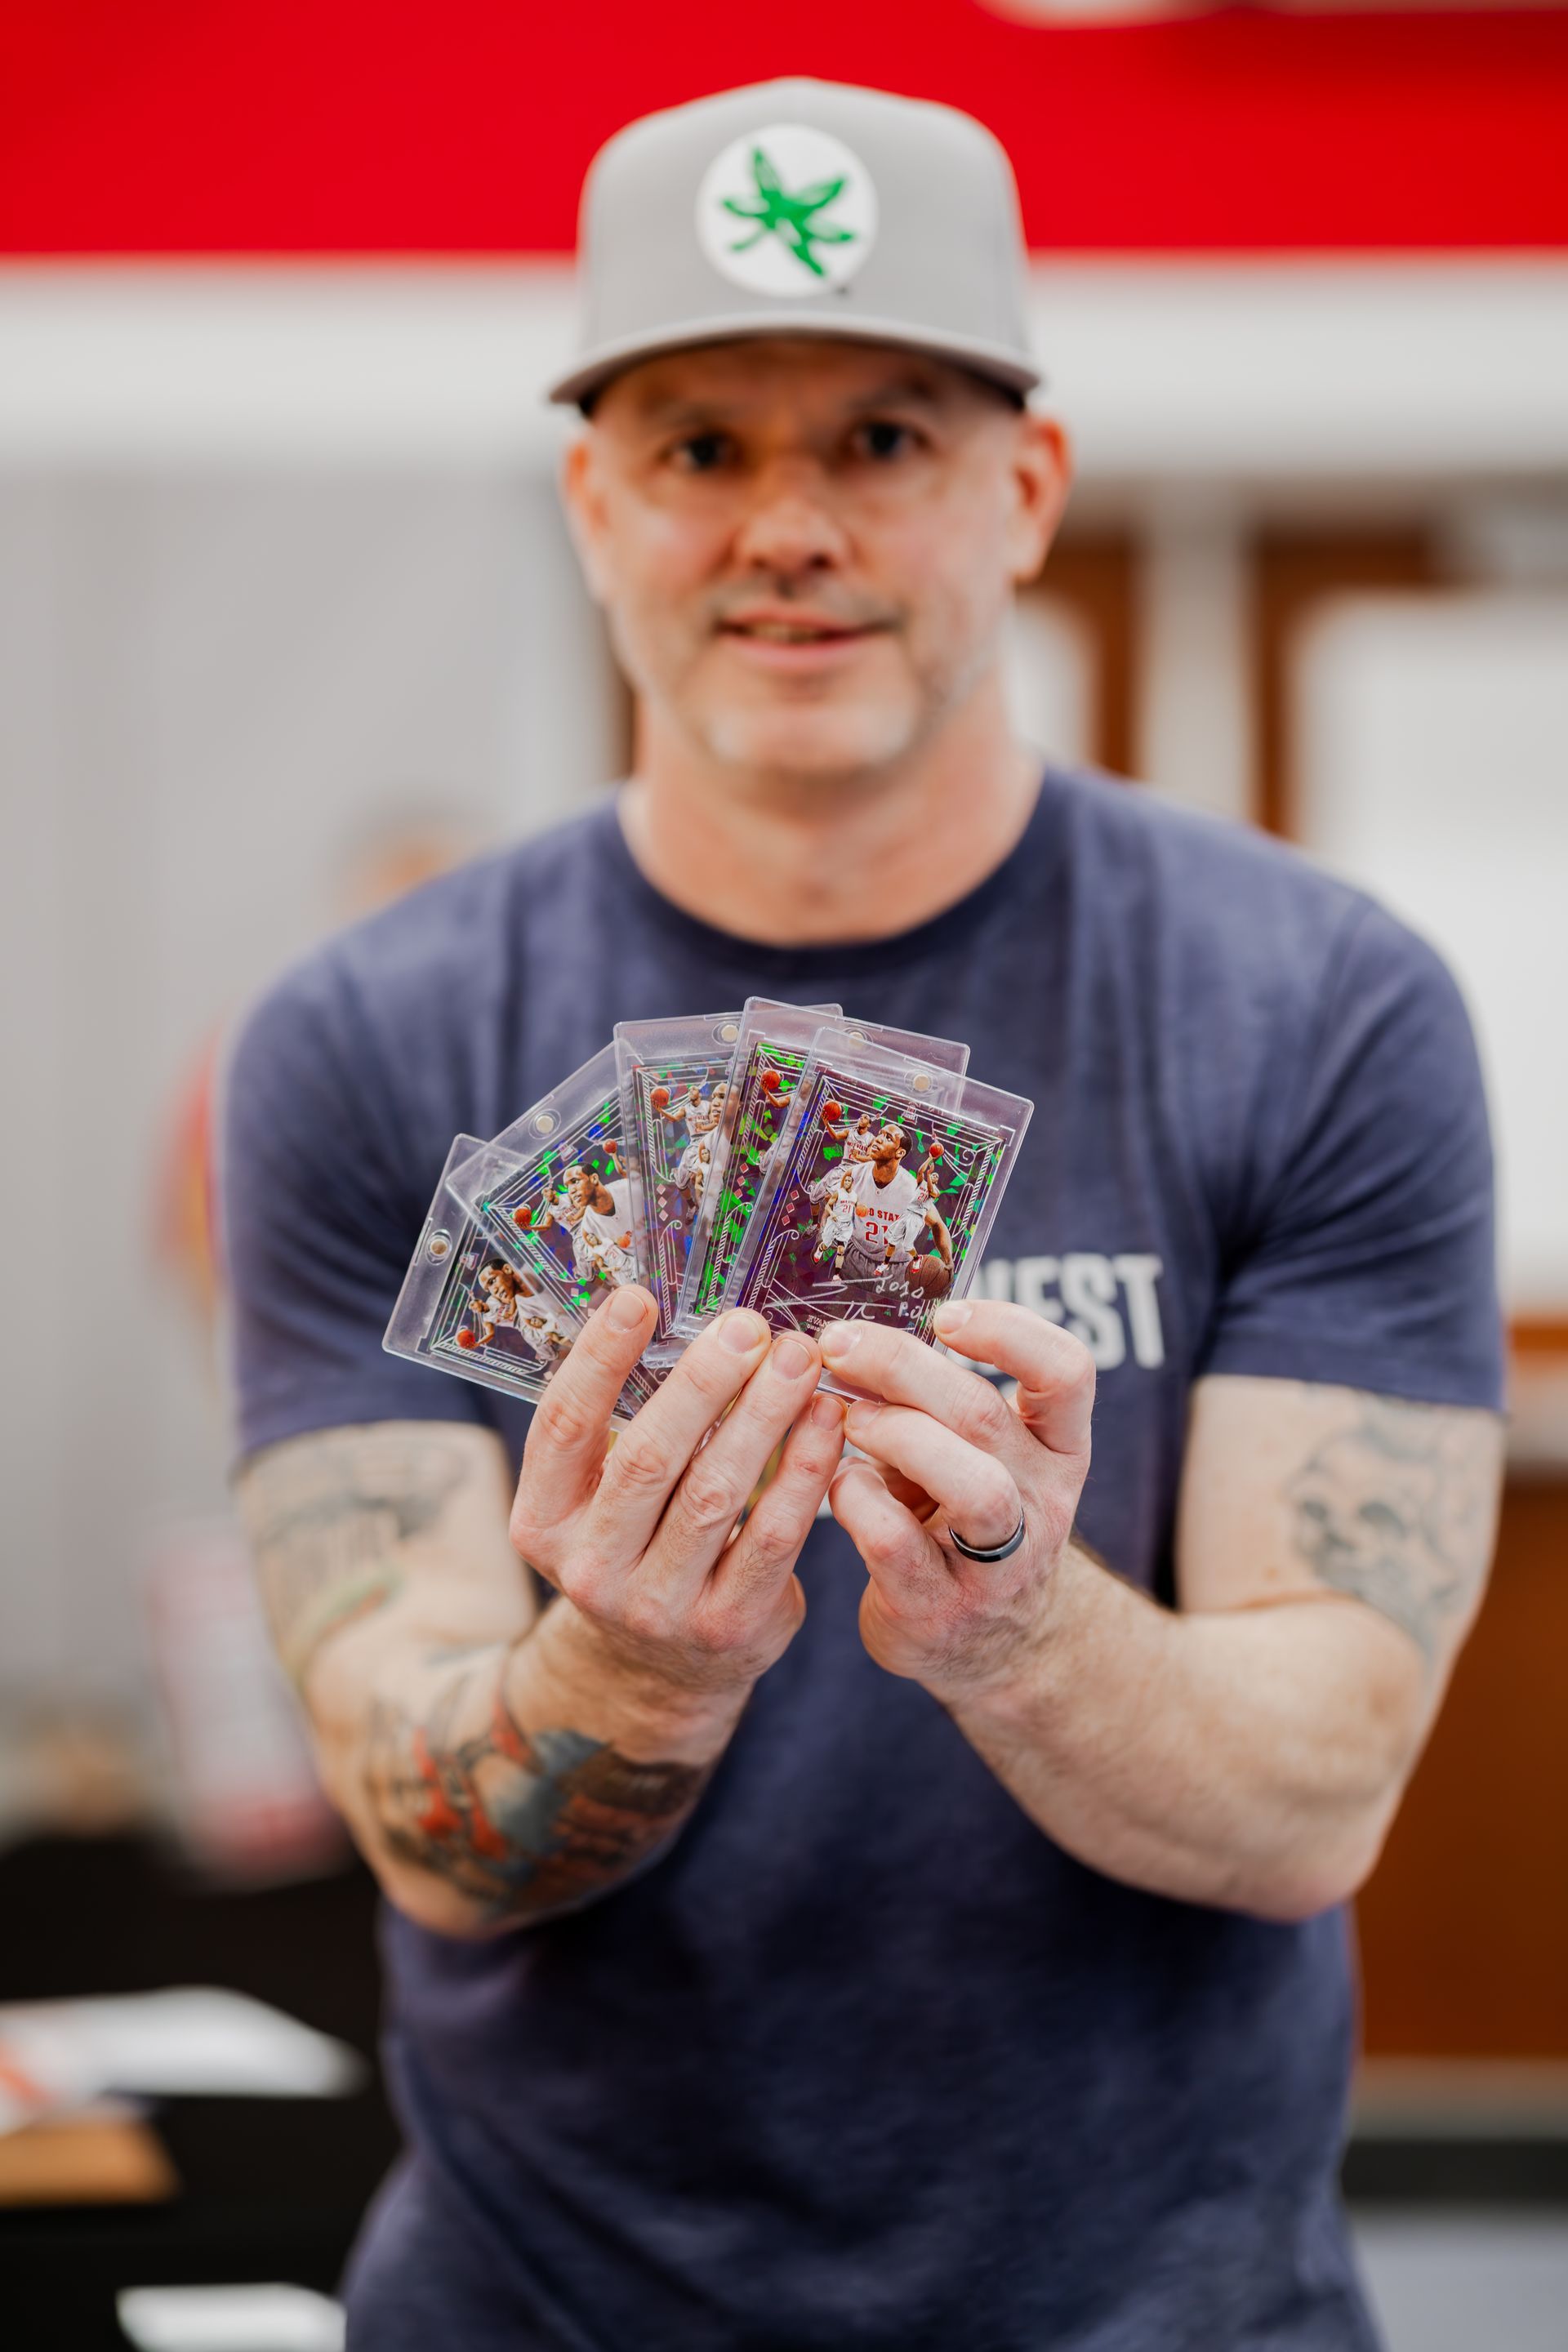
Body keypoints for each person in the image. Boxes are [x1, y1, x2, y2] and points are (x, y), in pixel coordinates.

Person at [225, 77, 1505, 2352]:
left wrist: (1011, 1628)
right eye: (702, 446)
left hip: (1161, 2309)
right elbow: (422, 1811)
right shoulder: (363, 1043)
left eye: (884, 441)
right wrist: (632, 1662)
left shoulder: (1320, 1007)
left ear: (1025, 493)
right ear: (590, 503)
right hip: (544, 2310)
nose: (787, 526)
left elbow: (1320, 1788)